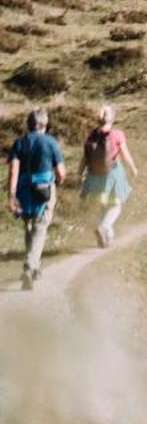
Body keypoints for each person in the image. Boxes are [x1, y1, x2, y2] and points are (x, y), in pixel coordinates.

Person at [8, 108, 64, 290]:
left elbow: (13, 170)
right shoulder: (51, 142)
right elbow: (61, 172)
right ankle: (29, 265)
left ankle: (35, 265)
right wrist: (59, 181)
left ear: (29, 124)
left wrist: (12, 194)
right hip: (44, 189)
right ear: (45, 124)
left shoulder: (19, 142)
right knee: (40, 227)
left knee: (29, 226)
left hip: (24, 189)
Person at [81, 104, 138, 248]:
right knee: (116, 206)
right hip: (112, 174)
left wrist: (79, 171)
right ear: (112, 118)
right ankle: (104, 227)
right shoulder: (117, 134)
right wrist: (133, 168)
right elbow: (125, 154)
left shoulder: (92, 134)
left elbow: (85, 157)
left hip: (94, 175)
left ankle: (108, 239)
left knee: (104, 204)